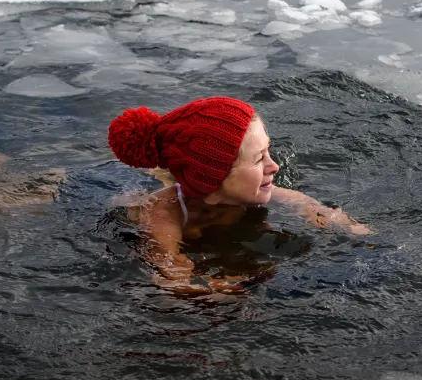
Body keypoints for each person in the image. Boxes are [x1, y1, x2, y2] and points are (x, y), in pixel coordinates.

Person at [108, 96, 370, 296]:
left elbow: (310, 207)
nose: (274, 166)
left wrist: (351, 229)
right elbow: (172, 279)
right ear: (216, 178)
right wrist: (230, 289)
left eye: (269, 151)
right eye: (259, 159)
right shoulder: (162, 214)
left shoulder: (259, 191)